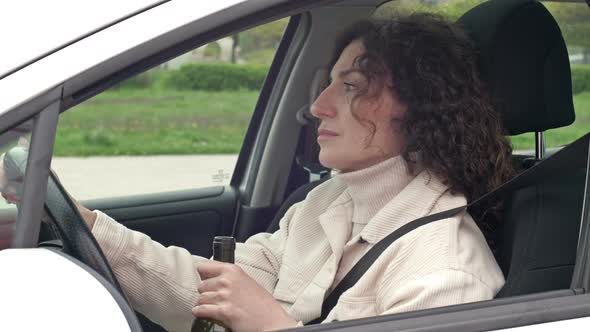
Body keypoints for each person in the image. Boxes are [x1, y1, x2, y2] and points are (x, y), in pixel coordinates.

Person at [3, 14, 515, 332]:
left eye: (353, 87)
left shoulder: (446, 271)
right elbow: (206, 294)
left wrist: (272, 326)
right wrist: (86, 226)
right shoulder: (325, 204)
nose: (318, 106)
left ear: (423, 108)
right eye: (329, 84)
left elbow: (248, 311)